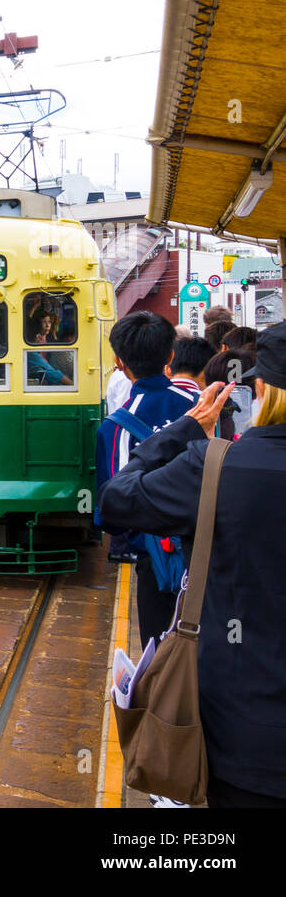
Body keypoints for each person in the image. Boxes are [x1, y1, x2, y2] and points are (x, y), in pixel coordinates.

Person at [100, 321, 286, 807]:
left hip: (244, 731)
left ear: (262, 388)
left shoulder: (216, 465)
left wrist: (186, 430)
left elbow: (116, 500)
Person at [95, 312, 196, 651]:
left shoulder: (116, 426)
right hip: (209, 553)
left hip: (157, 563)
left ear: (118, 361)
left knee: (159, 653)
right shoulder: (200, 407)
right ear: (171, 355)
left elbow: (111, 514)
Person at [26, 312, 73, 386]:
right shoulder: (31, 354)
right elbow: (52, 373)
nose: (47, 325)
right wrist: (74, 385)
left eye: (49, 322)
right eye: (44, 322)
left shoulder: (50, 340)